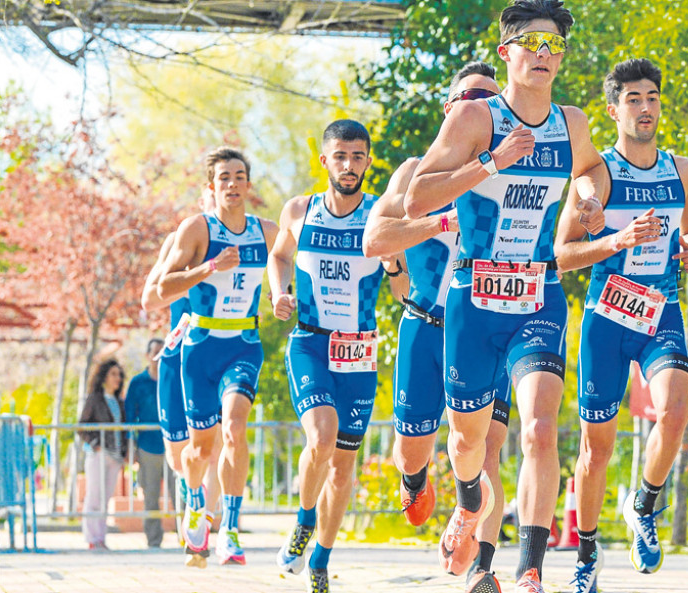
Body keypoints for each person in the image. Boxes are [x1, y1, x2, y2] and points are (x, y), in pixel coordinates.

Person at [404, 2, 608, 591]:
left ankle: (530, 569)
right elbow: (419, 196)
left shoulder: (571, 123)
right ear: (506, 53)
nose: (543, 54)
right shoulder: (475, 119)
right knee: (468, 441)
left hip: (539, 292)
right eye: (531, 43)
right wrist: (490, 162)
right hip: (474, 295)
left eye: (553, 45)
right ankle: (469, 501)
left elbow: (592, 167)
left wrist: (590, 200)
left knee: (540, 429)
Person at [554, 58, 688, 590]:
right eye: (634, 100)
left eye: (653, 99)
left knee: (676, 409)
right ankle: (587, 554)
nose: (645, 108)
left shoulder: (679, 169)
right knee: (596, 450)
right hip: (606, 320)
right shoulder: (598, 177)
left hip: (660, 310)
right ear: (614, 109)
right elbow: (562, 253)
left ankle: (643, 506)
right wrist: (617, 241)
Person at [362, 61, 511, 593]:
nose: (480, 107)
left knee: (485, 448)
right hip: (425, 326)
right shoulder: (415, 171)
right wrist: (440, 222)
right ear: (451, 109)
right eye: (469, 96)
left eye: (490, 100)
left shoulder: (514, 169)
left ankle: (482, 567)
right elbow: (374, 241)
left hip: (490, 326)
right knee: (413, 449)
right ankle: (415, 480)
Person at [267, 119, 407, 593]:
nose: (349, 166)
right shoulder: (299, 210)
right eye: (340, 157)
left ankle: (321, 558)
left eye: (358, 156)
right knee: (321, 436)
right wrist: (277, 293)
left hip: (359, 351)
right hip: (310, 340)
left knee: (344, 465)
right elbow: (279, 256)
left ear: (369, 160)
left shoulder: (379, 216)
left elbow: (403, 289)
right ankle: (305, 519)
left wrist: (392, 262)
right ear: (325, 161)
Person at [158, 147, 278, 565]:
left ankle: (229, 528)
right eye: (223, 178)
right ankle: (195, 503)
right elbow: (163, 289)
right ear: (211, 187)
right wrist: (208, 268)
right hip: (200, 348)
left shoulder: (268, 231)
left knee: (235, 428)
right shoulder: (196, 229)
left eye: (239, 176)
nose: (232, 184)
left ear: (248, 184)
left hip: (244, 345)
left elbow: (292, 268)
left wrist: (283, 297)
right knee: (199, 450)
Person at [142, 188, 224, 558]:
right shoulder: (178, 241)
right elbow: (149, 299)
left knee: (216, 440)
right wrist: (201, 271)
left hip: (219, 352)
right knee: (179, 459)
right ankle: (195, 503)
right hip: (178, 353)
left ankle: (209, 523)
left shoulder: (242, 245)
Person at [124, 338, 172, 548]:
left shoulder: (173, 378)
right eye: (156, 352)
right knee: (150, 496)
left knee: (182, 494)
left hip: (175, 446)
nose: (159, 357)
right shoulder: (138, 383)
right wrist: (130, 448)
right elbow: (128, 417)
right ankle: (154, 541)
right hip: (147, 447)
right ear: (147, 355)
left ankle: (189, 539)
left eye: (163, 352)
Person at [79, 358, 128, 550]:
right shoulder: (94, 399)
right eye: (113, 374)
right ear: (104, 377)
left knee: (106, 497)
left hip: (115, 457)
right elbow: (82, 426)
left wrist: (124, 452)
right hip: (98, 454)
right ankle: (92, 538)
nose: (118, 378)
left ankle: (101, 538)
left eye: (119, 375)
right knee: (94, 496)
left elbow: (122, 429)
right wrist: (95, 443)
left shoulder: (118, 401)